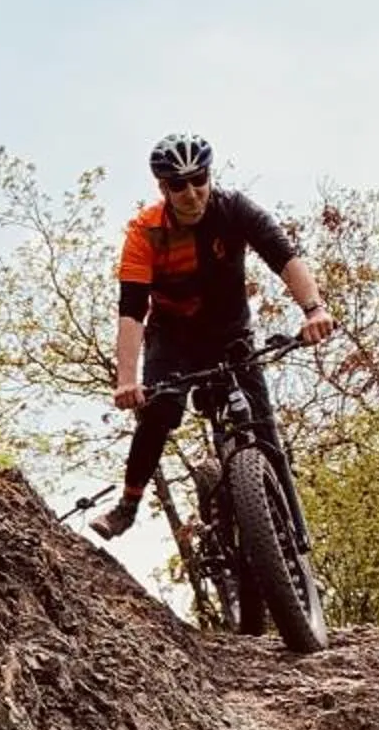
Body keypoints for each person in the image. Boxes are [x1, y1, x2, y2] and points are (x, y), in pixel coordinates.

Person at [92, 132, 335, 539]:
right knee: (161, 410)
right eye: (177, 184)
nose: (190, 193)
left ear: (209, 175)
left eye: (198, 179)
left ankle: (292, 530)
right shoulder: (145, 232)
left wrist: (314, 310)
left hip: (230, 331)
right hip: (173, 337)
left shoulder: (234, 210)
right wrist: (126, 380)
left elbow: (284, 256)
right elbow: (132, 311)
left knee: (262, 426)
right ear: (163, 188)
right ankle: (127, 505)